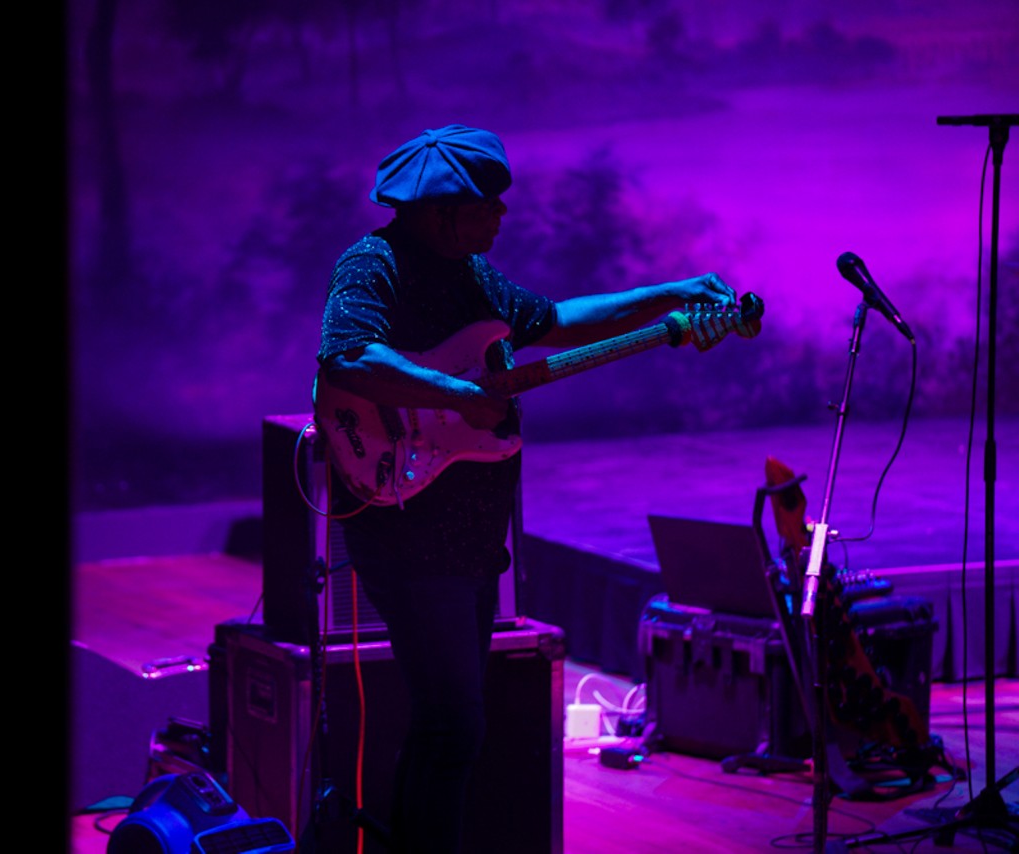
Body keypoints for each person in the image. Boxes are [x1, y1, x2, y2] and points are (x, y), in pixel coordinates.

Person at [314, 124, 740, 854]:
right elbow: (348, 355)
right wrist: (455, 394)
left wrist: (667, 298)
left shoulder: (472, 274)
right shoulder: (373, 263)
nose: (502, 216)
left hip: (470, 538)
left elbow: (554, 322)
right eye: (488, 203)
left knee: (444, 725)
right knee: (454, 723)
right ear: (441, 210)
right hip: (411, 532)